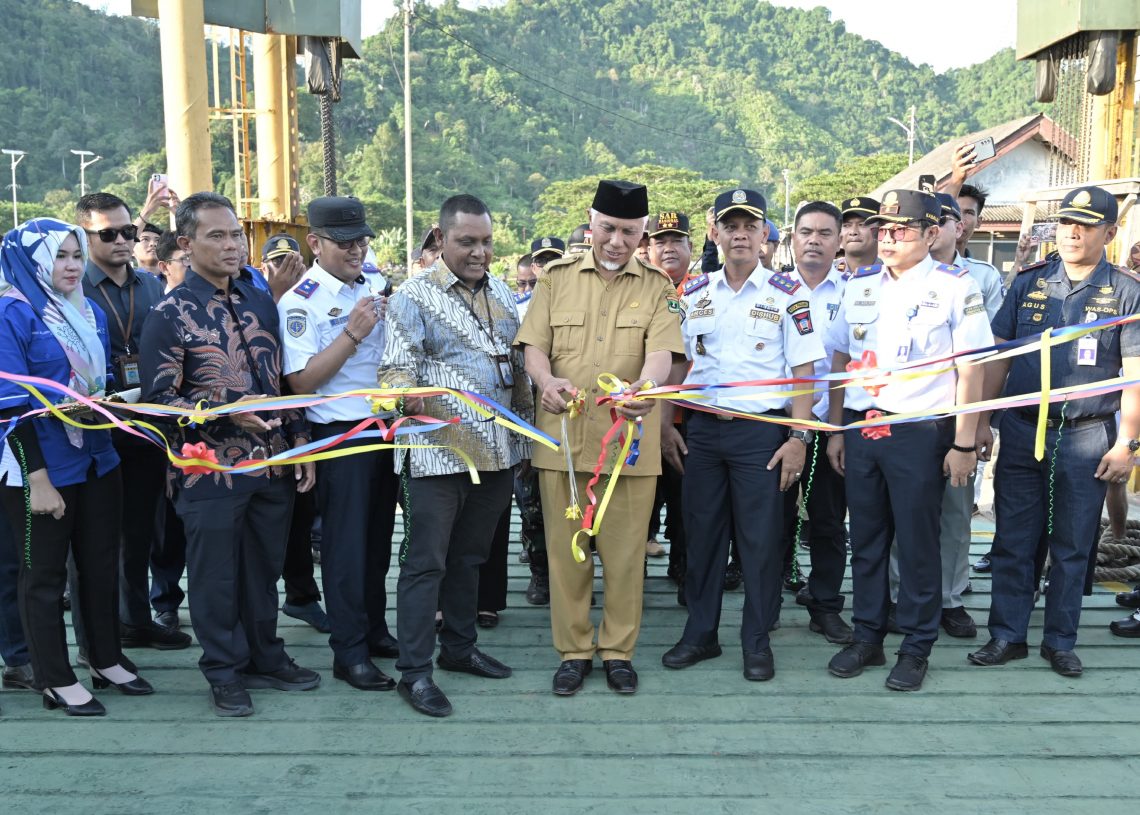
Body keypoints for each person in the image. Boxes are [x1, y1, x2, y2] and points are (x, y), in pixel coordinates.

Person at [140, 192, 319, 717]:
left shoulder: (261, 298)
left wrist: (300, 440)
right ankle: (222, 670)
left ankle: (265, 655)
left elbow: (283, 380)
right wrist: (223, 411)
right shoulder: (169, 314)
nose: (231, 245)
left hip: (270, 461)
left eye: (235, 234)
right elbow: (157, 402)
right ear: (186, 243)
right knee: (216, 574)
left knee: (264, 568)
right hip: (208, 471)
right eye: (216, 236)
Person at [516, 179, 684, 697]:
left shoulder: (658, 287)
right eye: (608, 228)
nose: (616, 241)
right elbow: (534, 347)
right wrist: (544, 382)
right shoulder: (555, 280)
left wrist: (647, 387)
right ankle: (573, 651)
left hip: (628, 443)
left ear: (642, 234)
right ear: (591, 224)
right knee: (568, 555)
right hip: (563, 441)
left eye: (629, 232)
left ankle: (617, 650)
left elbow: (662, 354)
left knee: (627, 556)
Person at [970, 186, 1140, 675]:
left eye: (1085, 225)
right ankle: (1007, 635)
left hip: (1087, 435)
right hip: (1024, 430)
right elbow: (998, 358)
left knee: (1072, 544)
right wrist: (982, 420)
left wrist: (1127, 442)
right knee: (1013, 540)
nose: (1072, 233)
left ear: (1109, 232)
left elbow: (1133, 377)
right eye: (1066, 223)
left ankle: (1060, 640)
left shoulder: (1126, 292)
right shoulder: (1029, 282)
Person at [826, 189, 992, 692]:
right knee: (868, 540)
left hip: (920, 430)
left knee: (919, 544)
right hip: (861, 428)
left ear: (931, 234)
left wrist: (963, 444)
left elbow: (972, 368)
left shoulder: (953, 287)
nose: (888, 237)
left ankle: (916, 646)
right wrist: (837, 429)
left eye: (901, 229)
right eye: (883, 229)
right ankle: (868, 636)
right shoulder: (857, 287)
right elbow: (838, 360)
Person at [660, 189, 823, 681]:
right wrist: (667, 422)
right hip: (704, 434)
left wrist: (799, 437)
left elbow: (805, 372)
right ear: (715, 232)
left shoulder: (788, 294)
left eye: (750, 226)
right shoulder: (693, 294)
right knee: (703, 537)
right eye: (730, 226)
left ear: (765, 235)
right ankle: (701, 634)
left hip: (762, 435)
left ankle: (756, 641)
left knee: (760, 542)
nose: (740, 235)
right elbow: (678, 364)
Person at [379, 194, 530, 718]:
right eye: (467, 242)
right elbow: (394, 373)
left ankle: (460, 648)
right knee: (426, 562)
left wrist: (525, 441)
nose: (480, 252)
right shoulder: (412, 297)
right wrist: (417, 396)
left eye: (486, 242)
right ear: (440, 240)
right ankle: (415, 673)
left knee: (471, 557)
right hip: (437, 453)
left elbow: (520, 371)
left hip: (498, 451)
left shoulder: (507, 296)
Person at [0, 217, 154, 716]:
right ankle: (53, 677)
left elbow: (92, 383)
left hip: (96, 456)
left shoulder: (84, 309)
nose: (71, 266)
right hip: (40, 466)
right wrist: (38, 480)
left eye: (73, 255)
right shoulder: (12, 312)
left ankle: (104, 656)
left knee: (99, 563)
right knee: (43, 575)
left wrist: (109, 402)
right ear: (33, 261)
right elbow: (8, 405)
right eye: (58, 257)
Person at [278, 196, 400, 692]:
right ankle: (348, 653)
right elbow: (301, 383)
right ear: (316, 243)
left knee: (375, 544)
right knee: (345, 548)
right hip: (338, 435)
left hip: (383, 429)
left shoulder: (373, 283)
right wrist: (352, 333)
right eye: (345, 242)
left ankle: (372, 629)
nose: (356, 250)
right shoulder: (300, 302)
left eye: (362, 240)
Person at [77, 193, 190, 652]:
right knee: (97, 536)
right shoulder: (72, 288)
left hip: (146, 422)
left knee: (142, 527)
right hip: (92, 426)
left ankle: (136, 619)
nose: (124, 240)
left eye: (130, 231)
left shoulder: (149, 285)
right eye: (109, 234)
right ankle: (100, 636)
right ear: (84, 237)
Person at [780, 201, 853, 644]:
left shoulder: (855, 292)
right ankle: (768, 599)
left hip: (830, 423)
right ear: (792, 239)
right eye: (806, 231)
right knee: (773, 521)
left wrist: (837, 427)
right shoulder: (773, 290)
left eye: (825, 233)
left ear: (840, 240)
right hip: (776, 425)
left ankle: (825, 606)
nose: (814, 240)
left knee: (828, 522)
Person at [646, 211, 696, 574]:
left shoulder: (706, 290)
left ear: (691, 246)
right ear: (646, 248)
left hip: (691, 417)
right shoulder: (636, 290)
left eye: (676, 240)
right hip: (642, 416)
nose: (668, 248)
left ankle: (683, 569)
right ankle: (634, 573)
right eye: (659, 241)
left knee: (687, 501)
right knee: (640, 500)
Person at [837, 197, 880, 274]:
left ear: (879, 230)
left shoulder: (892, 274)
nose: (853, 232)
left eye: (862, 225)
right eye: (846, 225)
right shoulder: (824, 272)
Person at [514, 254, 536, 319]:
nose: (527, 289)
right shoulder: (510, 305)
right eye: (522, 283)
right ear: (517, 280)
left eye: (533, 283)